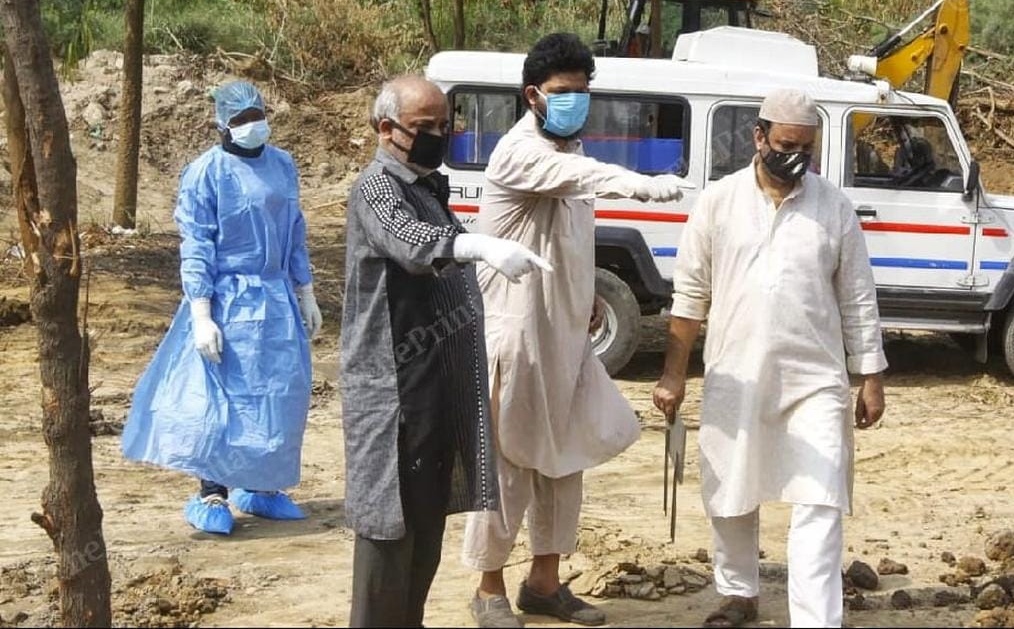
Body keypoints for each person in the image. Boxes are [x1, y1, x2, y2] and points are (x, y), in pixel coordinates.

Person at [462, 33, 690, 628]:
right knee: (507, 466)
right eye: (564, 93)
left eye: (583, 92)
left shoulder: (570, 148)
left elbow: (570, 231)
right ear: (533, 95)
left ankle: (545, 583)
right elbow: (579, 176)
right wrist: (640, 183)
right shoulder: (518, 152)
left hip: (565, 334)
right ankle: (489, 588)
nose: (576, 102)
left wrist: (585, 292)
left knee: (564, 461)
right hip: (513, 337)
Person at [652, 88, 888, 628]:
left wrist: (870, 376)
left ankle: (816, 619)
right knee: (731, 486)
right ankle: (738, 594)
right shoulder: (718, 201)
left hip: (816, 380)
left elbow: (857, 298)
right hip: (735, 372)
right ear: (759, 137)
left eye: (806, 147)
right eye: (785, 144)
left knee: (821, 496)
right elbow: (689, 296)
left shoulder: (834, 207)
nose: (795, 156)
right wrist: (673, 375)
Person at [340, 75, 550, 628]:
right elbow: (408, 243)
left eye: (445, 123)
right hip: (393, 392)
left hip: (431, 386)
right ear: (387, 130)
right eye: (425, 127)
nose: (442, 134)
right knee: (390, 529)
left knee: (425, 524)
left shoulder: (428, 185)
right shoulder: (378, 186)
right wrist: (476, 244)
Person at [122, 81, 322, 535]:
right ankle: (212, 491)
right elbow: (197, 245)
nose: (252, 125)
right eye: (240, 119)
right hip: (228, 300)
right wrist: (201, 313)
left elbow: (294, 230)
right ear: (222, 124)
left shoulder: (283, 166)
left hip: (275, 298)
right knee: (225, 397)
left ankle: (262, 486)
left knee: (278, 393)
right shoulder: (206, 173)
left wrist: (304, 290)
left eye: (257, 115)